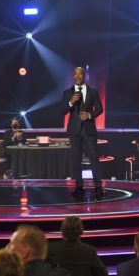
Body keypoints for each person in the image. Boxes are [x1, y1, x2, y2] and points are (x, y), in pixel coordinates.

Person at [61, 67, 104, 198]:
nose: (78, 76)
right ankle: (79, 187)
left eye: (80, 74)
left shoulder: (93, 92)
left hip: (89, 130)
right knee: (76, 160)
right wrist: (70, 102)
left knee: (94, 159)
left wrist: (90, 115)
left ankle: (98, 187)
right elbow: (62, 111)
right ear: (74, 76)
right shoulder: (67, 92)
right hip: (75, 131)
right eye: (76, 74)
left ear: (84, 75)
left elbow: (100, 108)